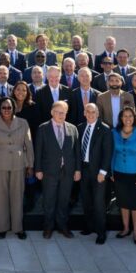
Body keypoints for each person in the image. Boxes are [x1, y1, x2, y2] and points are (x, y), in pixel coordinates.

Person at [0, 97, 33, 240]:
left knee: (17, 195)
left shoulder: (23, 123)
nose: (6, 110)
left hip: (18, 163)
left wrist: (30, 164)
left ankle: (18, 228)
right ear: (0, 109)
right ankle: (2, 227)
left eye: (9, 107)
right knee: (0, 196)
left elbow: (29, 144)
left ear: (14, 109)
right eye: (3, 108)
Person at [34, 101, 80, 238]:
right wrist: (38, 169)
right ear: (52, 112)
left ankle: (62, 226)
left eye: (63, 113)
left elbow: (77, 151)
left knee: (64, 200)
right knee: (49, 200)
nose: (60, 115)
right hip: (49, 171)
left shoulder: (72, 128)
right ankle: (48, 227)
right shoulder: (43, 128)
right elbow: (38, 150)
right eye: (58, 112)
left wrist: (77, 170)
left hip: (68, 171)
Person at [77, 104, 113, 244]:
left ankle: (101, 232)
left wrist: (103, 172)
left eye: (93, 112)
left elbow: (107, 152)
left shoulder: (104, 129)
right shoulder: (79, 128)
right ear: (84, 113)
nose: (91, 114)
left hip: (98, 172)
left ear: (98, 113)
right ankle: (89, 227)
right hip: (84, 170)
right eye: (88, 112)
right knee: (86, 201)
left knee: (99, 203)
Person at [111, 107, 136, 244]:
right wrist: (111, 171)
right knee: (123, 202)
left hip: (135, 175)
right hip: (119, 173)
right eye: (125, 116)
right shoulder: (114, 133)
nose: (128, 119)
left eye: (130, 116)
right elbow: (112, 153)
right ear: (121, 118)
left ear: (134, 118)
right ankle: (126, 228)